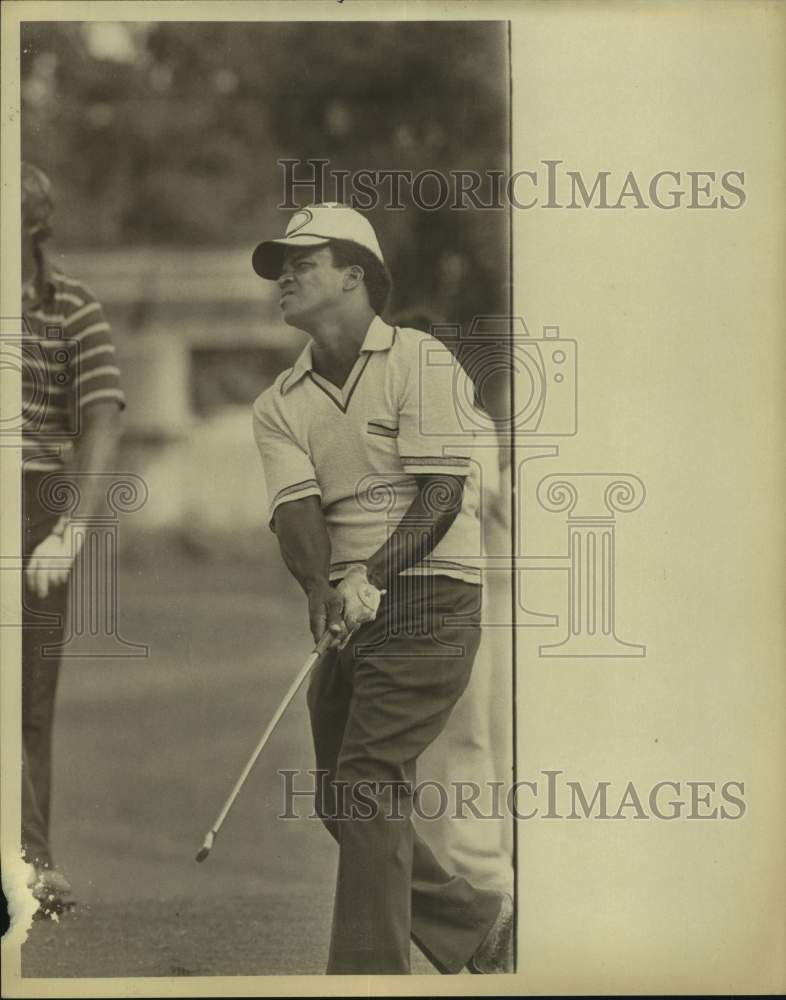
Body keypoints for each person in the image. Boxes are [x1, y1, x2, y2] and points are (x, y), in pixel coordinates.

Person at [250, 203, 513, 974]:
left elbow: (439, 493)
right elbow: (295, 512)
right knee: (345, 795)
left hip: (432, 599)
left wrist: (372, 574)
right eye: (280, 267)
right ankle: (474, 924)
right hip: (352, 611)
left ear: (355, 276)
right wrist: (320, 590)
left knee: (365, 784)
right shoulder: (279, 402)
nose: (285, 278)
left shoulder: (422, 361)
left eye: (304, 261)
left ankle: (365, 980)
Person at [20, 162, 125, 916]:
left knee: (26, 697)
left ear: (32, 227)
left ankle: (29, 865)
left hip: (31, 503)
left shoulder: (74, 306)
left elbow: (103, 417)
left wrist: (72, 529)